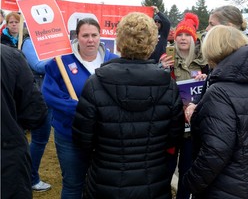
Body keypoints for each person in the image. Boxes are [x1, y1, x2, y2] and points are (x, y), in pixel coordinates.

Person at [72, 12, 185, 199]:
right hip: (151, 182)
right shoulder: (168, 85)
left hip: (106, 182)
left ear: (120, 41)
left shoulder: (96, 82)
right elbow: (174, 137)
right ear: (152, 43)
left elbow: (82, 139)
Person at [183, 25, 248, 198]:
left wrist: (190, 182)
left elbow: (215, 152)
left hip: (230, 187)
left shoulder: (219, 92)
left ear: (212, 49)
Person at [42, 18, 119, 199]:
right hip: (70, 134)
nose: (90, 39)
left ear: (101, 36)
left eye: (94, 35)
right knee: (73, 184)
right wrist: (82, 109)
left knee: (101, 184)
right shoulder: (60, 61)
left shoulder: (114, 62)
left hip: (104, 137)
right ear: (77, 36)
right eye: (85, 35)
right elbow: (49, 94)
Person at [163, 13, 208, 199]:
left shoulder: (204, 62)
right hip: (170, 127)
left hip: (192, 130)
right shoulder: (167, 59)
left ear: (193, 38)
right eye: (179, 34)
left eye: (187, 35)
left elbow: (211, 94)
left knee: (187, 172)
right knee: (165, 171)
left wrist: (206, 80)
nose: (182, 38)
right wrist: (160, 70)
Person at [1, 43, 48, 199]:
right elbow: (34, 112)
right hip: (8, 155)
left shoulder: (11, 57)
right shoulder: (12, 57)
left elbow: (35, 113)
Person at [21, 29, 52, 192]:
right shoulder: (29, 42)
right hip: (37, 98)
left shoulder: (50, 40)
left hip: (51, 96)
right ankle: (30, 178)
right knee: (39, 139)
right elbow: (38, 66)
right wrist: (59, 57)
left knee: (44, 139)